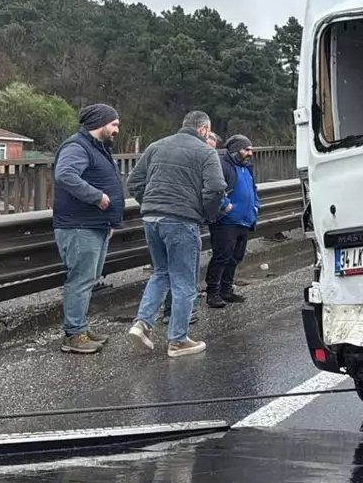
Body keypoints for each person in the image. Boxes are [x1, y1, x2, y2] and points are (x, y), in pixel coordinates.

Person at [125, 111, 226, 358]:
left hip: (151, 218)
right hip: (181, 221)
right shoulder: (206, 152)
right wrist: (205, 215)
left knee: (161, 273)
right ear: (204, 129)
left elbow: (134, 182)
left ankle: (142, 323)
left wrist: (150, 202)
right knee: (184, 281)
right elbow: (216, 188)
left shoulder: (156, 146)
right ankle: (178, 340)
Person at [52, 103, 124, 354]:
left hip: (96, 225)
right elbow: (66, 175)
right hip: (79, 225)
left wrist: (109, 222)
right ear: (100, 123)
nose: (117, 129)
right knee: (80, 280)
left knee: (88, 279)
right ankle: (74, 335)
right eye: (114, 124)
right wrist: (98, 197)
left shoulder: (97, 148)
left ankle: (80, 328)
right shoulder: (77, 147)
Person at [205, 134, 260, 308]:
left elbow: (253, 189)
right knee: (221, 256)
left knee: (235, 257)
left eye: (250, 149)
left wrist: (256, 205)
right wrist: (226, 205)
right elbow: (215, 189)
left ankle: (226, 290)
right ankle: (212, 292)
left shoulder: (247, 168)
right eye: (246, 149)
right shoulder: (223, 166)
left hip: (244, 221)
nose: (250, 153)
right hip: (226, 222)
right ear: (236, 150)